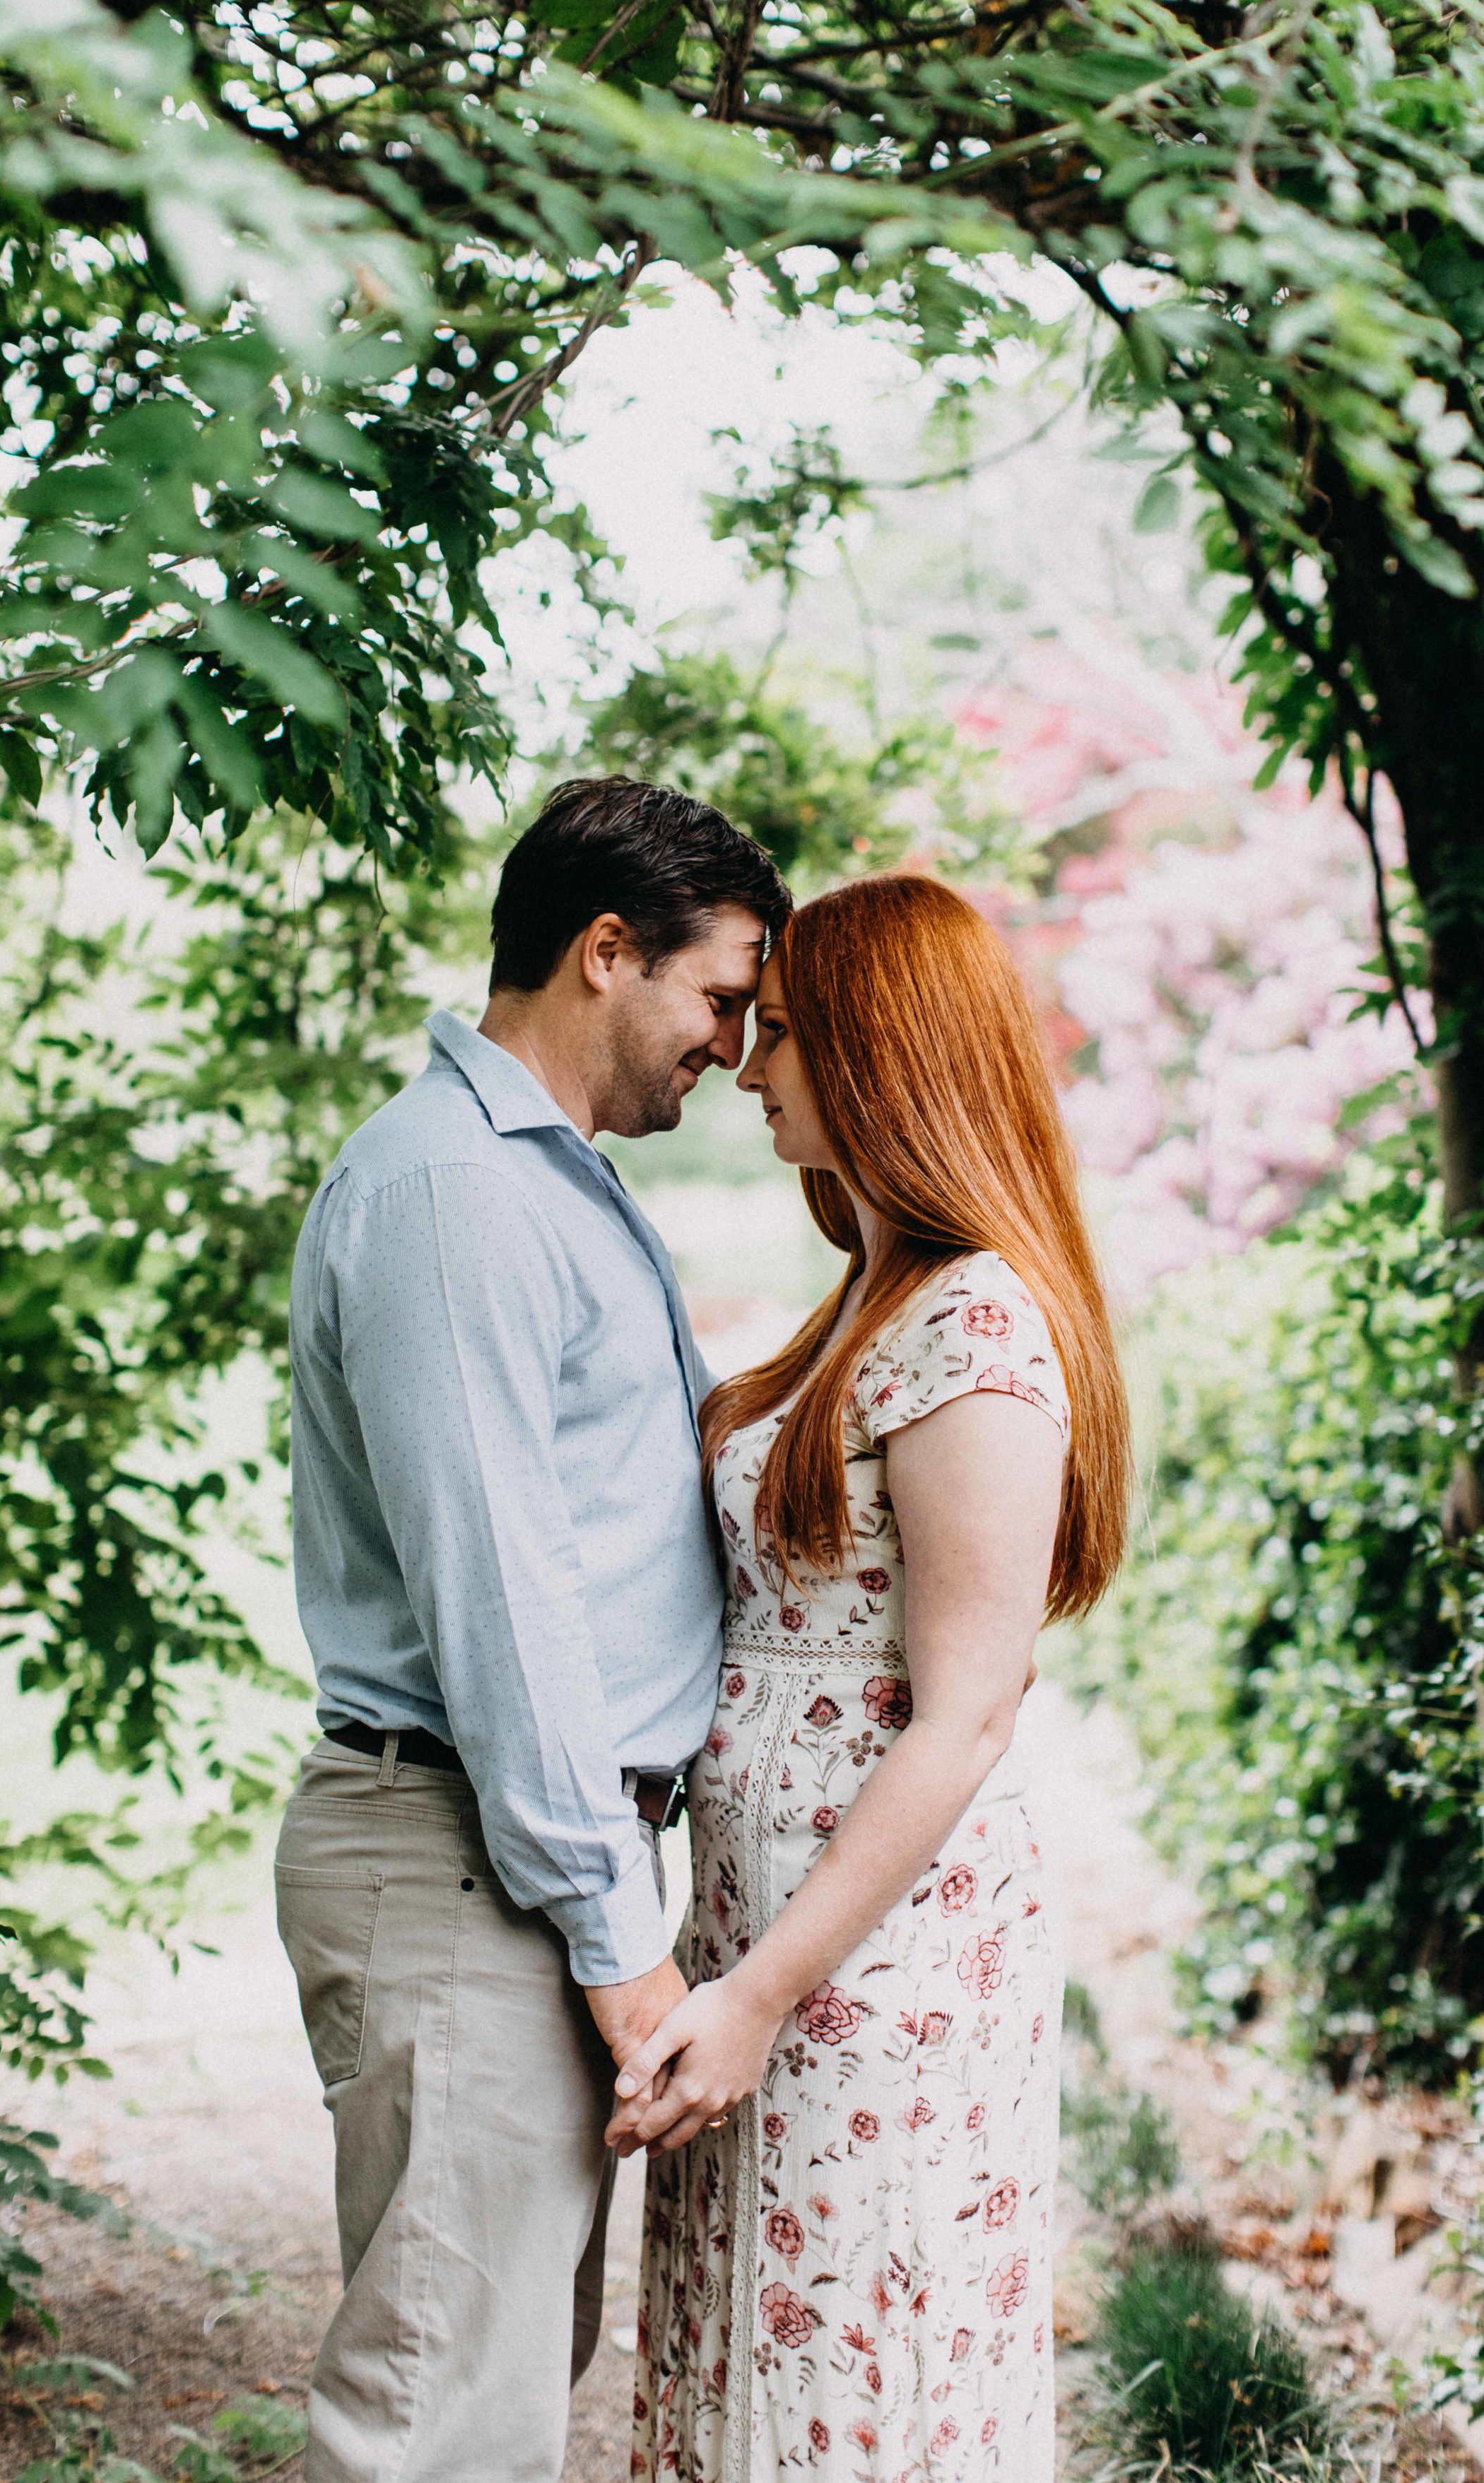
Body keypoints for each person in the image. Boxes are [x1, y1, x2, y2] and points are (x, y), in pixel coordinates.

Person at [274, 777, 791, 2483]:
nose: (730, 1044)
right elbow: (499, 1602)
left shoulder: (549, 1183)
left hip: (509, 1859)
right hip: (461, 1860)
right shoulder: (456, 1197)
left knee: (497, 2385)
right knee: (437, 2417)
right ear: (601, 952)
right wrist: (617, 1944)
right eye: (719, 996)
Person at [610, 872, 1132, 2483]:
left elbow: (968, 1706)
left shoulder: (975, 1323)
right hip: (764, 1942)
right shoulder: (874, 1298)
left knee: (847, 2366)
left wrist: (761, 1994)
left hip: (867, 1970)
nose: (752, 1067)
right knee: (751, 2348)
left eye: (785, 1036)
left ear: (880, 1052)